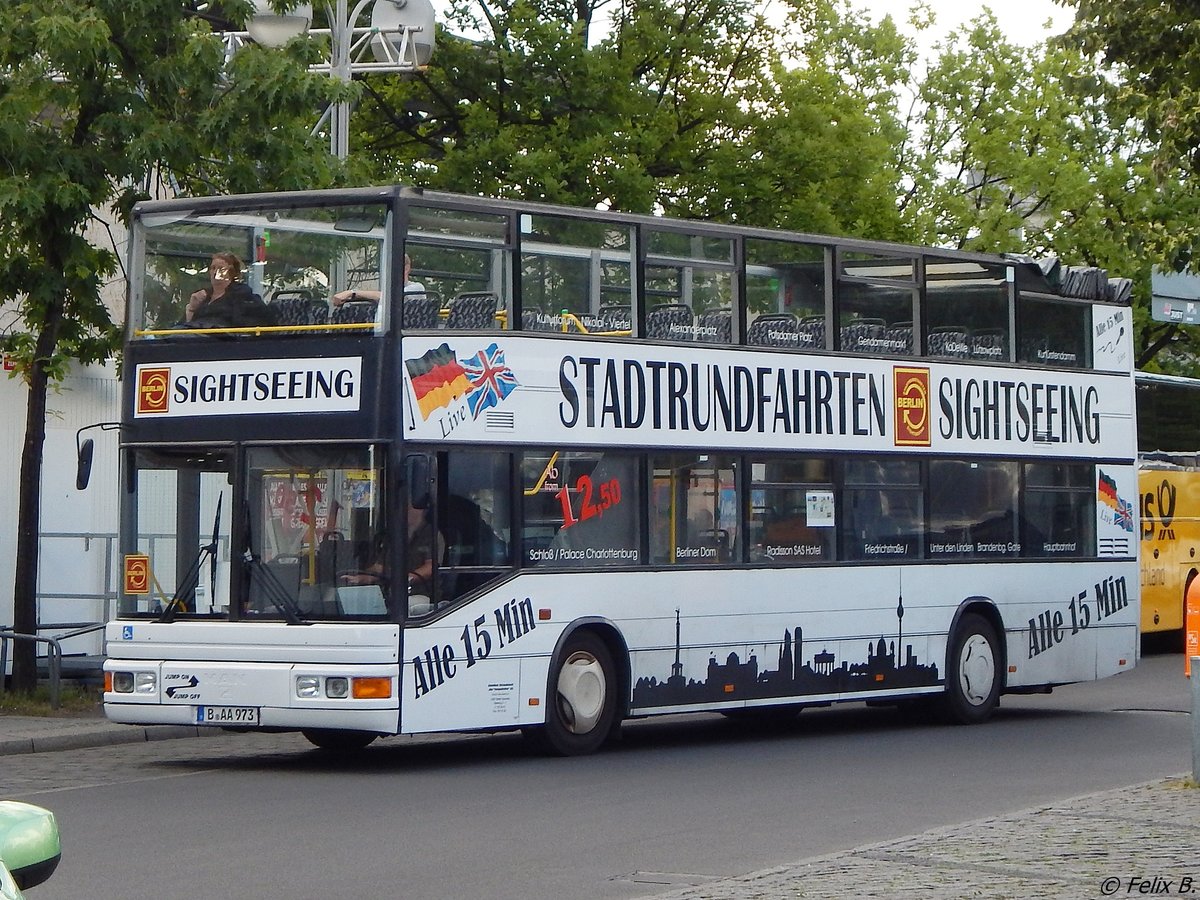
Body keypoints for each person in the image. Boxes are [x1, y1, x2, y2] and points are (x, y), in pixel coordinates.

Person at [184, 252, 274, 328]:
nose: (216, 272)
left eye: (221, 269)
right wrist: (191, 309)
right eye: (213, 268)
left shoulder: (242, 294)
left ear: (232, 273)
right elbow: (189, 326)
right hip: (195, 337)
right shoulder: (203, 296)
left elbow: (262, 320)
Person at [331, 254, 425, 307]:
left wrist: (352, 293)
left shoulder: (417, 288)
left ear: (406, 269)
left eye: (393, 267)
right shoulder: (384, 290)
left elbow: (390, 298)